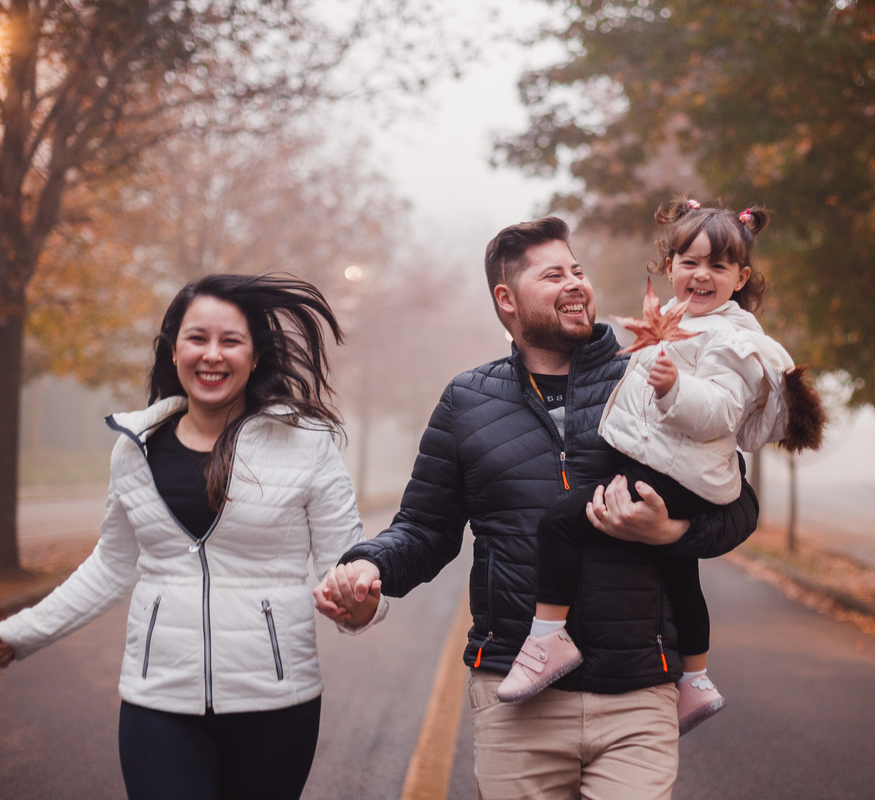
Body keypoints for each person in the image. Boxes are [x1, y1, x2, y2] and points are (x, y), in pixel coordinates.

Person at [314, 217, 760, 800]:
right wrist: (369, 565)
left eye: (578, 270)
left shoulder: (651, 374)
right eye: (553, 276)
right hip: (515, 700)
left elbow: (735, 505)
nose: (575, 283)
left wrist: (670, 531)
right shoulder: (467, 401)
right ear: (507, 299)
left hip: (637, 695)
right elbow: (424, 528)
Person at [0, 274, 385, 800]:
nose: (212, 355)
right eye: (197, 338)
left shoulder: (304, 444)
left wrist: (359, 606)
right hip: (158, 701)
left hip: (276, 704)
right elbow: (110, 565)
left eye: (230, 341)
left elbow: (348, 564)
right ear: (173, 351)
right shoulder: (135, 448)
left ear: (255, 356)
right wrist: (26, 631)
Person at [497, 199, 824, 736]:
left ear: (741, 278)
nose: (702, 275)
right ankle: (695, 679)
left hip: (679, 473)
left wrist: (675, 390)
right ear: (669, 266)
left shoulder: (733, 339)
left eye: (718, 265)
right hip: (680, 469)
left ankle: (548, 636)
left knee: (560, 523)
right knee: (678, 571)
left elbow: (722, 411)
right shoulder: (675, 321)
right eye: (690, 262)